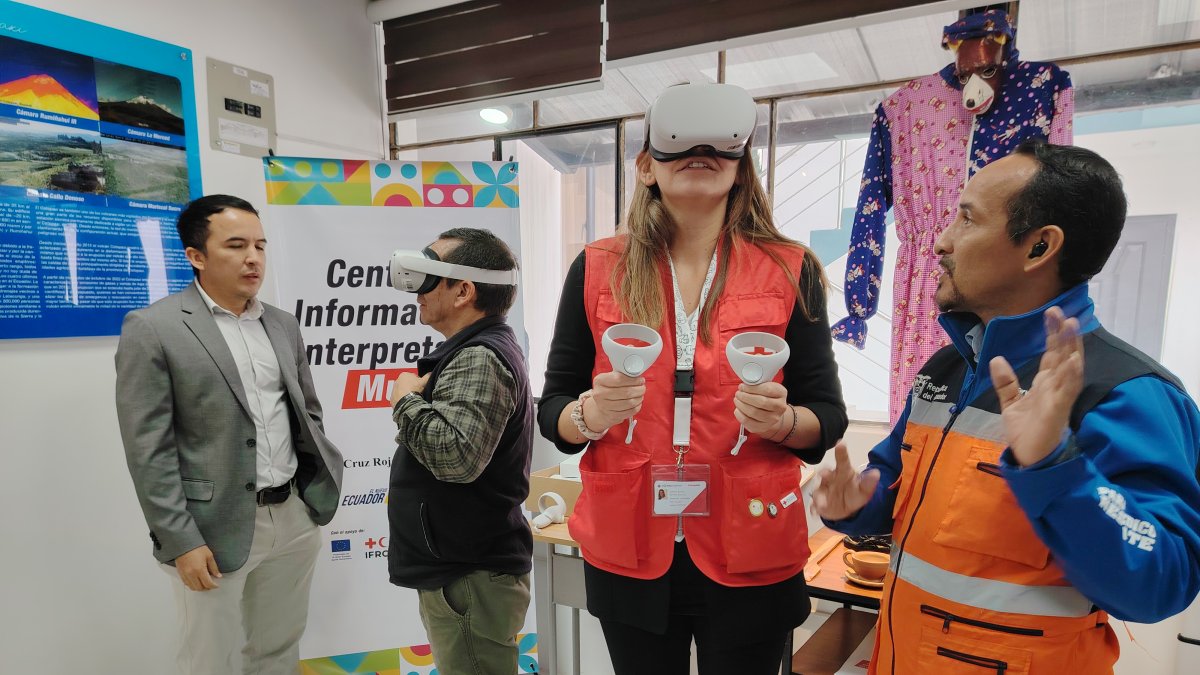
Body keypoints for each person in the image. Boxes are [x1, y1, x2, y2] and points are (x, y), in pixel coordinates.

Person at [814, 140, 1200, 673]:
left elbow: (1162, 585)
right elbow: (895, 482)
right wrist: (858, 506)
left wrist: (1054, 466)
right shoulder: (944, 373)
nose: (941, 243)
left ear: (1039, 248)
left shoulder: (1130, 393)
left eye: (967, 221)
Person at [538, 83, 848, 675]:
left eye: (721, 150)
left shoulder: (790, 268)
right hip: (628, 542)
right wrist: (589, 416)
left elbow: (825, 416)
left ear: (740, 169)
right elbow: (552, 407)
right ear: (646, 166)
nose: (700, 155)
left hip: (750, 542)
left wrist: (785, 423)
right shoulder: (597, 267)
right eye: (679, 147)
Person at [115, 194, 344, 675]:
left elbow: (307, 413)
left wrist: (309, 496)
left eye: (260, 245)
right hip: (212, 527)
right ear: (196, 256)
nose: (253, 258)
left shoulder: (281, 323)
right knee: (210, 659)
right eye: (236, 245)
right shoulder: (153, 328)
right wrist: (180, 540)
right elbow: (147, 449)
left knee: (278, 649)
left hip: (293, 516)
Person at [386, 228, 533, 675]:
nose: (418, 289)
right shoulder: (478, 348)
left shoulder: (478, 357)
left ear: (464, 291)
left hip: (468, 576)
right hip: (466, 571)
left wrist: (404, 401)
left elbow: (456, 458)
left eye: (431, 276)